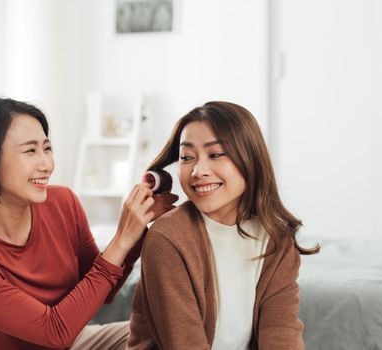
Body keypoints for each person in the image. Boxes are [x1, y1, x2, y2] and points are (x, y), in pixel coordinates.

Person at [0, 97, 177, 350]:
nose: (47, 165)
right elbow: (54, 331)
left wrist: (138, 228)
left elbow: (104, 291)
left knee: (165, 331)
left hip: (73, 342)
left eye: (47, 149)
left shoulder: (63, 202)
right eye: (30, 151)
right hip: (56, 337)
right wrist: (121, 239)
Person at [126, 101, 319, 350]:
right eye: (186, 157)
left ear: (250, 158)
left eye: (215, 154)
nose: (198, 170)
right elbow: (184, 344)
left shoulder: (276, 239)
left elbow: (281, 330)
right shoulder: (167, 238)